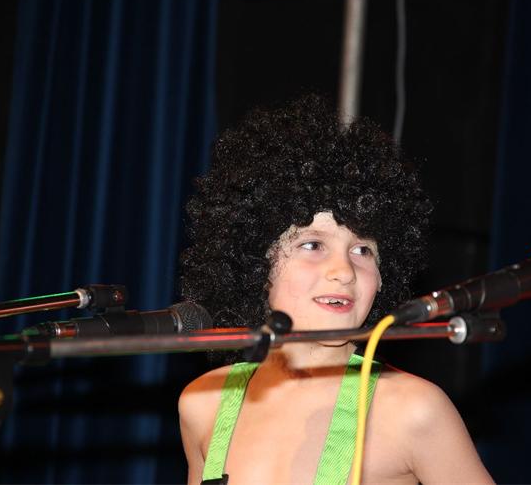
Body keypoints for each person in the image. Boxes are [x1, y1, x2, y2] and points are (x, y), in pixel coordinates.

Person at [178, 95, 493, 484]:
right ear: (255, 261)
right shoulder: (203, 402)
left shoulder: (413, 410)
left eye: (363, 250)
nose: (343, 271)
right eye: (313, 245)